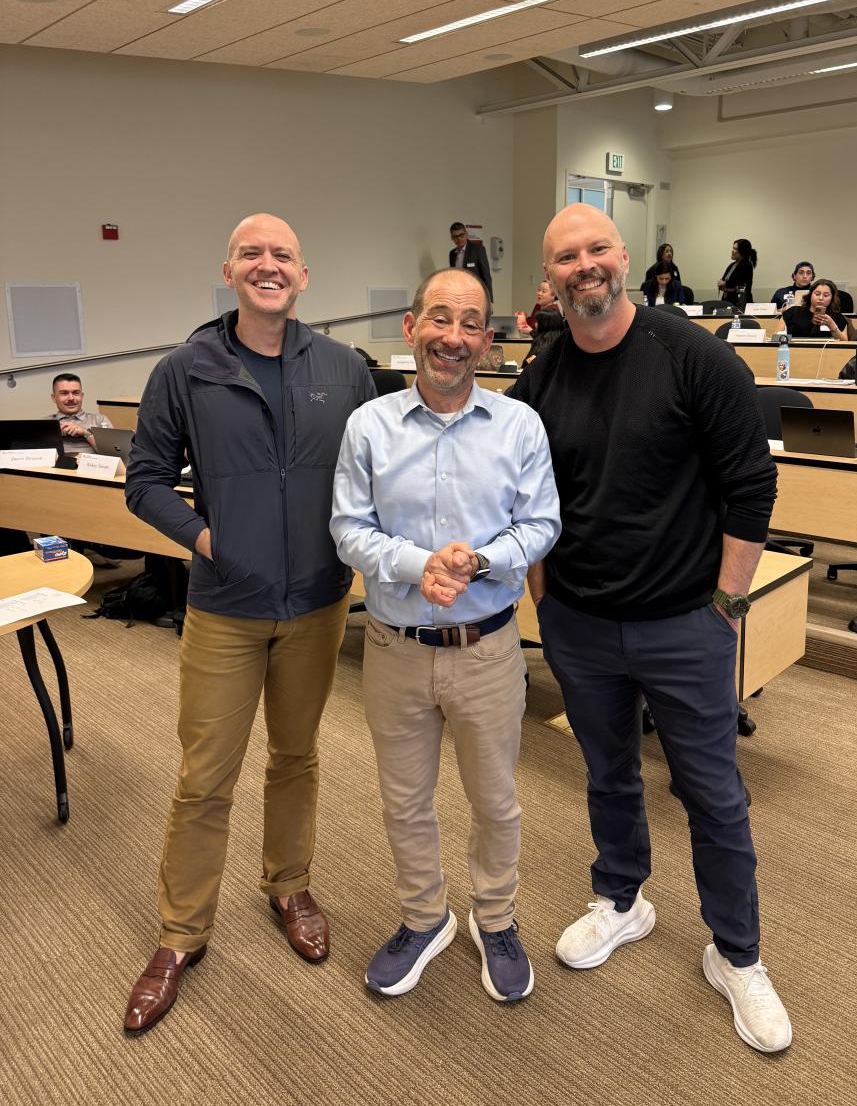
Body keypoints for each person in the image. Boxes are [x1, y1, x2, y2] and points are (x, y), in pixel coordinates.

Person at [510, 202, 792, 1054]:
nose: (584, 266)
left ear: (624, 257)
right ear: (548, 278)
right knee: (606, 773)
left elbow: (752, 489)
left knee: (712, 794)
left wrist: (728, 605)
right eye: (566, 256)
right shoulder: (543, 375)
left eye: (597, 249)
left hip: (685, 624)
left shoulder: (693, 357)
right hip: (581, 624)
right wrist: (544, 597)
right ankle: (622, 899)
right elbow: (518, 494)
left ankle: (737, 955)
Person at [122, 213, 375, 1036]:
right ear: (229, 270)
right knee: (204, 778)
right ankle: (179, 935)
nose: (268, 266)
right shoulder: (183, 370)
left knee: (296, 757)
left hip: (318, 603)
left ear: (304, 276)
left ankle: (288, 885)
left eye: (283, 256)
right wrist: (205, 540)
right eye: (253, 254)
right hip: (225, 607)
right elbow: (146, 479)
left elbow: (381, 469)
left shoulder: (343, 368)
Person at [330, 268, 559, 1002]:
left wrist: (484, 559)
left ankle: (495, 919)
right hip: (395, 652)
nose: (452, 339)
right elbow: (347, 529)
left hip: (489, 651)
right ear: (411, 327)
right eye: (439, 320)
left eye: (469, 325)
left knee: (496, 803)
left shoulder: (519, 424)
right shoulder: (369, 425)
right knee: (404, 802)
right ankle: (425, 919)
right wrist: (413, 566)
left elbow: (543, 523)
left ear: (487, 339)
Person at [49, 372, 113, 453]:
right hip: (55, 465)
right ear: (54, 398)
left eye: (76, 393)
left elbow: (112, 454)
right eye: (64, 393)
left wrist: (85, 433)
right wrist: (53, 434)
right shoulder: (42, 424)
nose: (71, 398)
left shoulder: (100, 420)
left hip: (91, 464)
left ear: (82, 396)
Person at [781, 278, 855, 340]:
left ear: (832, 298)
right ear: (810, 295)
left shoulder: (837, 317)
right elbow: (776, 337)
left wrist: (832, 325)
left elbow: (845, 343)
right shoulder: (793, 312)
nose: (821, 298)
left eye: (826, 295)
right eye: (817, 294)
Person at [448, 221, 493, 302]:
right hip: (459, 297)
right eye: (455, 237)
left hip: (476, 296)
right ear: (452, 238)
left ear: (466, 234)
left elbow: (486, 276)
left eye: (461, 235)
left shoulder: (478, 249)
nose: (459, 239)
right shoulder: (452, 254)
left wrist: (489, 300)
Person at [717, 239, 756, 306]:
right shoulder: (732, 265)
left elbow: (739, 286)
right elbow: (722, 284)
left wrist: (726, 285)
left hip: (740, 303)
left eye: (735, 249)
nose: (732, 251)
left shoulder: (746, 265)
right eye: (733, 248)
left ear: (742, 251)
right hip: (727, 301)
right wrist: (726, 285)